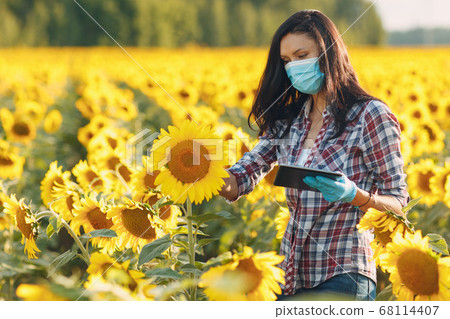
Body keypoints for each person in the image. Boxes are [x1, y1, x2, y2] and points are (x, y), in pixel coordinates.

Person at [219, 9, 408, 301]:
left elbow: (397, 204)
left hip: (345, 274)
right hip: (291, 275)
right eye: (286, 61)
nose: (293, 67)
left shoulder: (370, 115)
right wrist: (202, 174)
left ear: (328, 52)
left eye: (301, 55)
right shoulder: (289, 119)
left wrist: (355, 195)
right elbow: (244, 173)